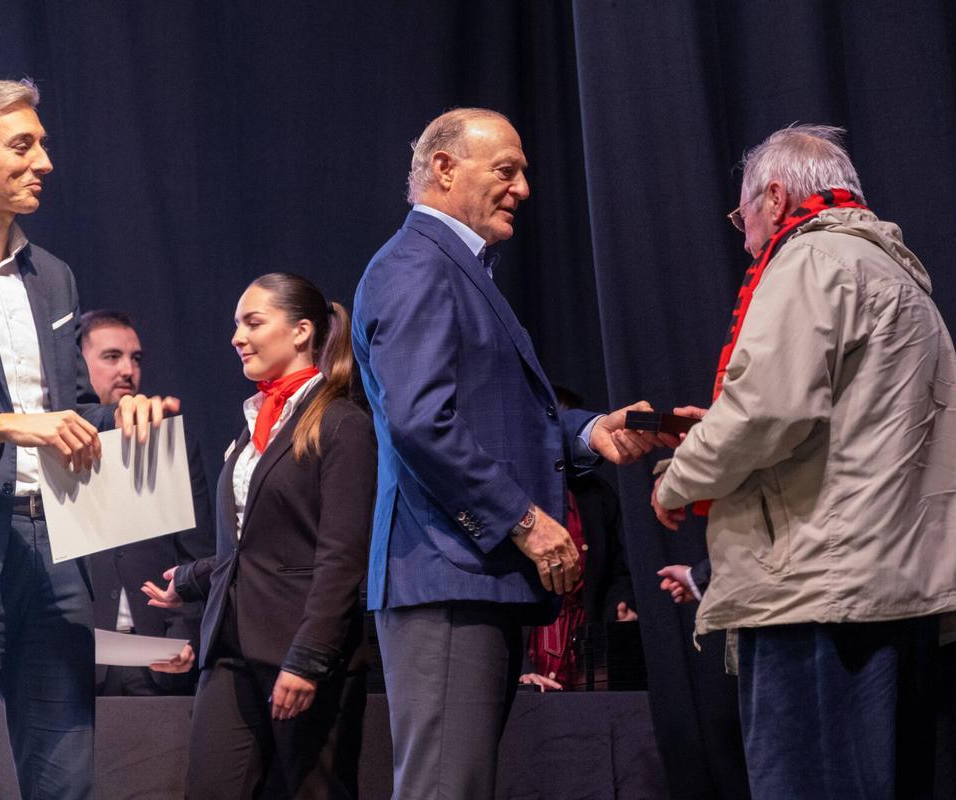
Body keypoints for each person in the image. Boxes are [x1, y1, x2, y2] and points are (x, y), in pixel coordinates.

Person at [650, 124, 956, 799]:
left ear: (775, 199)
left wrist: (679, 477)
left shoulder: (810, 261)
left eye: (743, 214)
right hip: (896, 593)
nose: (744, 235)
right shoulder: (895, 272)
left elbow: (766, 414)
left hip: (816, 597)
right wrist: (724, 426)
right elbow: (847, 427)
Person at [352, 107, 669, 799]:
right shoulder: (415, 265)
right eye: (506, 170)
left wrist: (590, 433)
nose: (523, 188)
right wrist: (523, 520)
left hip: (466, 580)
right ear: (443, 169)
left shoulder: (455, 270)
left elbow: (496, 417)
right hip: (443, 578)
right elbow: (420, 423)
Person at [0, 78, 175, 799]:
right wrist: (1, 425)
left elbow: (75, 411)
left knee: (69, 784)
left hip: (57, 559)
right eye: (22, 144)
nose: (46, 161)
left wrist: (125, 419)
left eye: (44, 143)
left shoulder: (54, 276)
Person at [143, 273, 375, 799]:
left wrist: (308, 658)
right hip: (231, 649)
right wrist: (192, 579)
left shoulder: (342, 424)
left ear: (300, 332)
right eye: (235, 325)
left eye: (252, 322)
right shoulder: (252, 426)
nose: (237, 337)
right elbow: (254, 545)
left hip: (304, 652)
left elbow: (342, 557)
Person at [79, 309, 215, 696]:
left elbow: (196, 554)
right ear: (78, 362)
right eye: (111, 357)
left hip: (155, 661)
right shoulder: (55, 444)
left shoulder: (171, 444)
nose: (127, 370)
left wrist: (185, 638)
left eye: (135, 358)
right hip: (73, 661)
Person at [520, 385, 638, 692]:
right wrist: (521, 673)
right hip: (529, 649)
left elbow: (617, 569)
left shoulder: (596, 495)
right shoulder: (514, 498)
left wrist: (619, 606)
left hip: (585, 651)